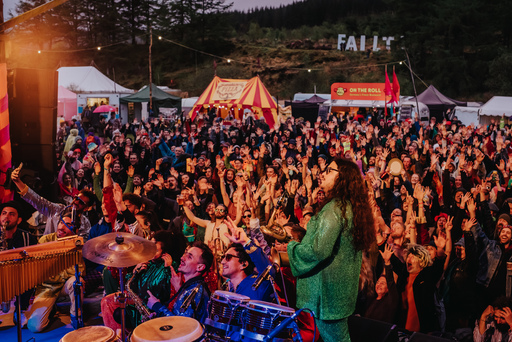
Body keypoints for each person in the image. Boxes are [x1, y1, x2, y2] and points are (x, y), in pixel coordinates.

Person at [287, 158, 376, 342]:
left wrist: (292, 247)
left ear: (341, 177)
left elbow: (319, 251)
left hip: (325, 299)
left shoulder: (334, 209)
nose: (323, 173)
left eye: (329, 170)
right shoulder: (347, 207)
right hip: (337, 297)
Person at [22, 213, 84, 332]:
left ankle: (75, 315)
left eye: (68, 224)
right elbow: (39, 269)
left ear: (74, 229)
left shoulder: (76, 243)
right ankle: (51, 310)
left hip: (65, 285)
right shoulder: (45, 240)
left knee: (77, 282)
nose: (62, 227)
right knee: (35, 327)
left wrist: (56, 268)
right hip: (47, 288)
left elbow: (80, 270)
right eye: (61, 223)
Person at [11, 164, 95, 239]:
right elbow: (37, 200)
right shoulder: (57, 210)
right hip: (48, 249)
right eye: (76, 198)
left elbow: (82, 244)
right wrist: (18, 182)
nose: (76, 202)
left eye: (81, 202)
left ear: (86, 208)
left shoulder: (85, 224)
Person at [147, 241, 213, 323]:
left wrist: (157, 306)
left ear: (200, 267)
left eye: (189, 257)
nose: (182, 258)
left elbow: (180, 325)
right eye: (185, 254)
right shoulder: (192, 287)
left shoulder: (196, 291)